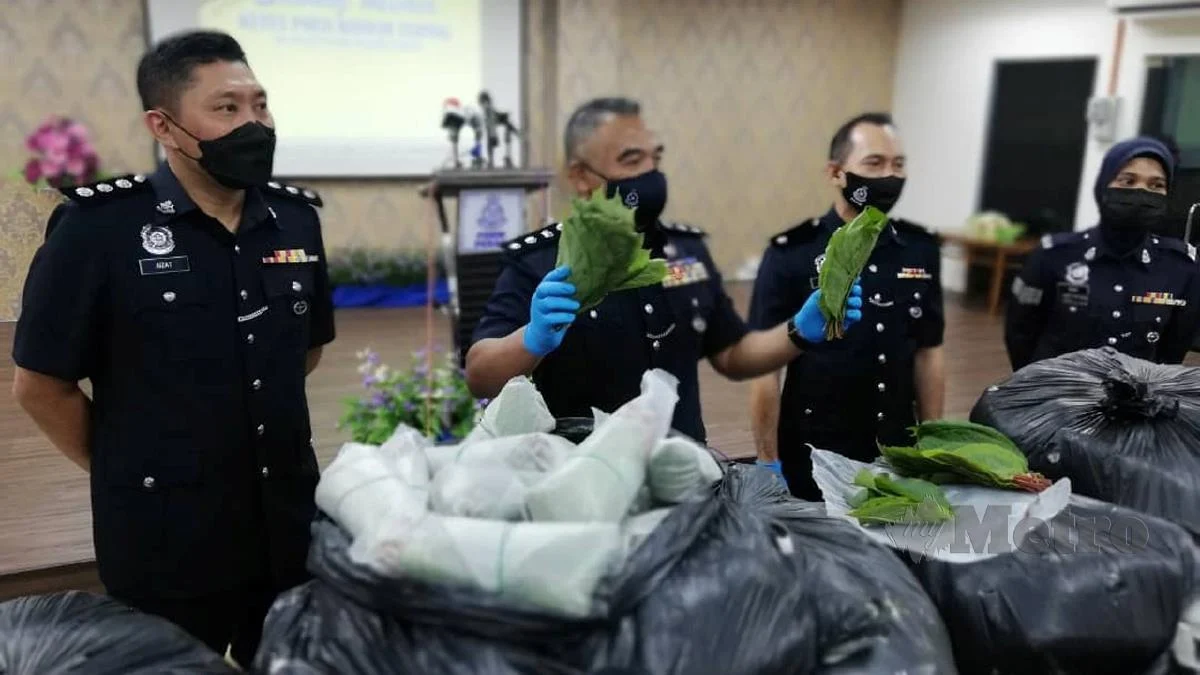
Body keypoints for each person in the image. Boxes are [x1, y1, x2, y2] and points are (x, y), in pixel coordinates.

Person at [11, 30, 335, 666]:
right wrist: (125, 466)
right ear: (163, 126)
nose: (254, 124)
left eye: (260, 104)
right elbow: (41, 385)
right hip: (167, 537)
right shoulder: (99, 228)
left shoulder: (295, 219)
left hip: (286, 522)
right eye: (226, 108)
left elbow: (306, 350)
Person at [465, 96, 863, 444]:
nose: (651, 173)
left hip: (684, 473)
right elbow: (480, 376)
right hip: (586, 480)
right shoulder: (540, 262)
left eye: (655, 158)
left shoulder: (685, 252)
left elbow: (733, 355)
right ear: (581, 176)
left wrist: (799, 329)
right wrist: (530, 340)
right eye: (631, 160)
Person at [747, 112, 946, 501]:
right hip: (815, 451)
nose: (889, 175)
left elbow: (929, 353)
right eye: (874, 163)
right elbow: (765, 369)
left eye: (898, 164)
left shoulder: (919, 249)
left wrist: (932, 444)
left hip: (896, 448)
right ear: (836, 173)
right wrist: (768, 460)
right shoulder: (792, 253)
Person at [1005, 136, 1200, 369]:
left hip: (1136, 390)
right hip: (1056, 389)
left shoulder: (1181, 267)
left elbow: (1174, 348)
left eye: (1156, 185)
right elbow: (1020, 334)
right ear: (1103, 185)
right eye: (1128, 181)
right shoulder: (1053, 256)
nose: (1141, 192)